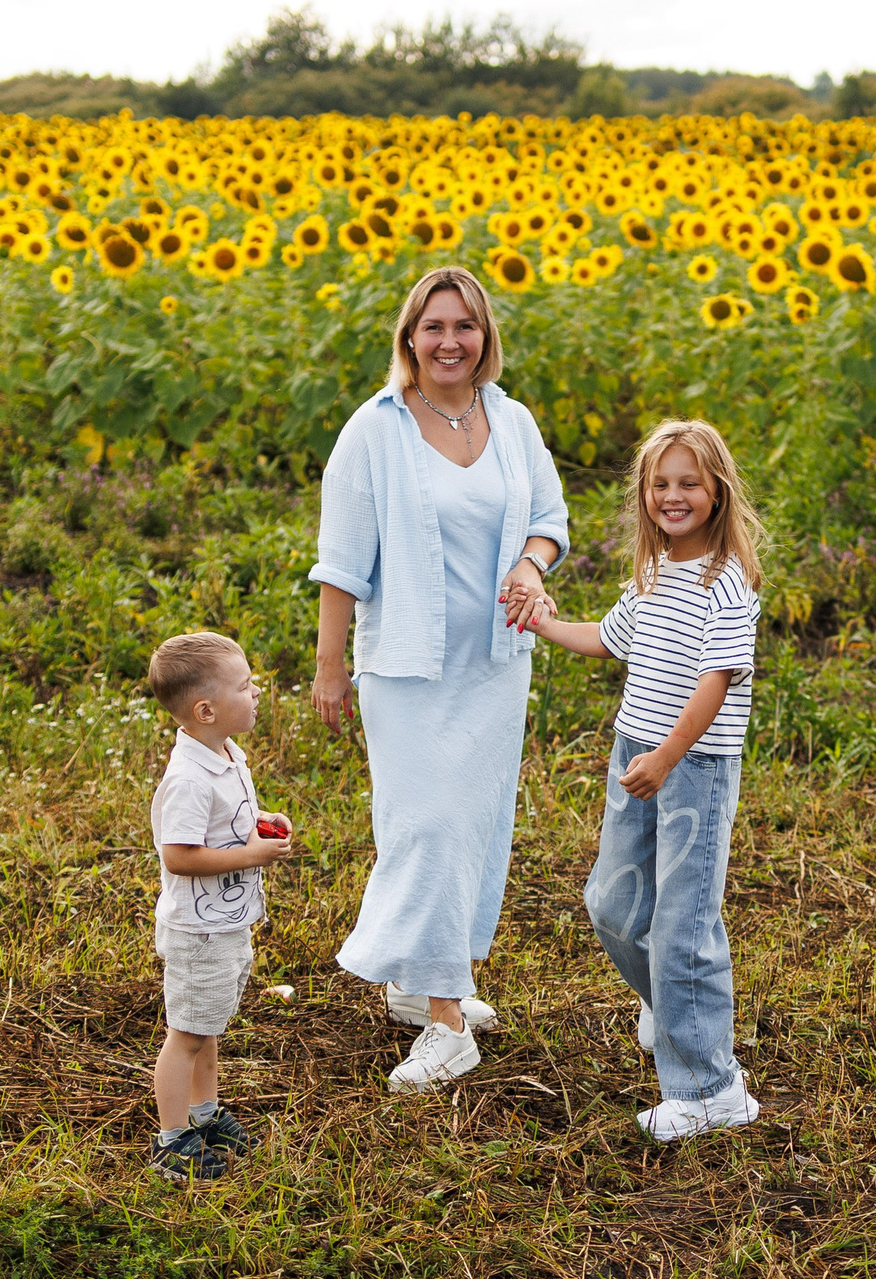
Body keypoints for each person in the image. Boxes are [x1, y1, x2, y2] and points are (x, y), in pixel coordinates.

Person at [309, 265, 569, 1091]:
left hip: (495, 664)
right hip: (407, 669)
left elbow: (549, 521)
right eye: (434, 327)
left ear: (484, 337)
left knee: (475, 826)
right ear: (409, 339)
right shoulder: (374, 428)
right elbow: (341, 562)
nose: (450, 341)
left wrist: (531, 566)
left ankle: (423, 984)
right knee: (423, 826)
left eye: (465, 326)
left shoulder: (513, 419)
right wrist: (330, 666)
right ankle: (448, 1024)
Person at [511, 419, 765, 1140]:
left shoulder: (726, 583)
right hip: (637, 752)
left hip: (693, 768)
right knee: (613, 903)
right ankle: (672, 1003)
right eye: (660, 484)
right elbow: (607, 638)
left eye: (688, 482)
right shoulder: (652, 575)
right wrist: (540, 621)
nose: (673, 495)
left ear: (717, 490)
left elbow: (717, 680)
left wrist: (669, 756)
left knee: (684, 925)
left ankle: (710, 1088)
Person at [145, 631, 297, 1183]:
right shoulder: (188, 778)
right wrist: (252, 854)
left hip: (226, 922)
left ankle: (204, 1116)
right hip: (199, 930)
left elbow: (223, 827)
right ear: (206, 709)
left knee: (208, 1027)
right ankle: (171, 1139)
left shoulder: (226, 754)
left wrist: (260, 826)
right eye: (245, 685)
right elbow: (180, 856)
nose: (256, 692)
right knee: (186, 1034)